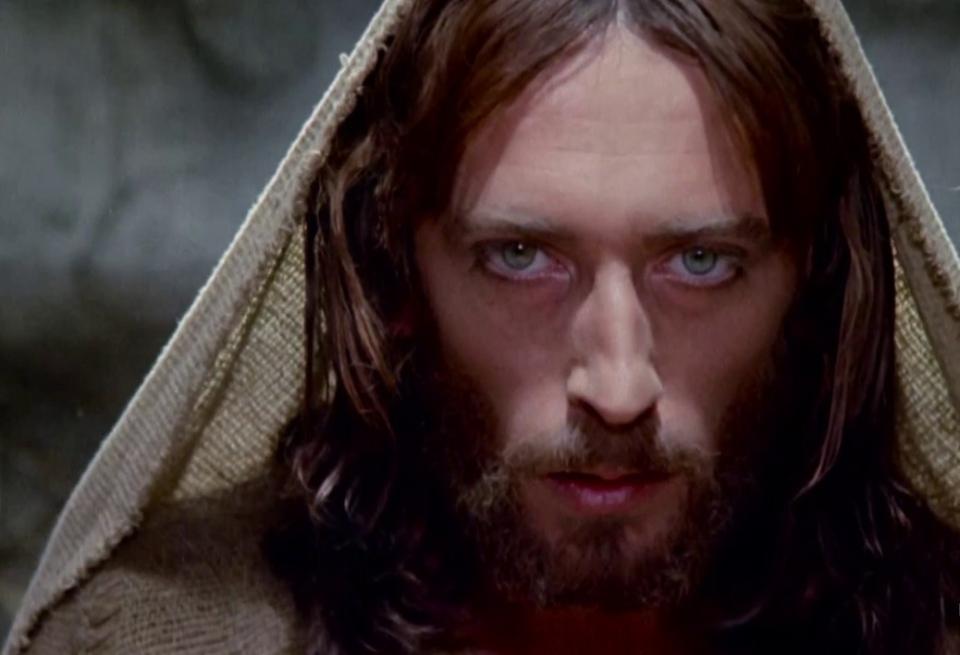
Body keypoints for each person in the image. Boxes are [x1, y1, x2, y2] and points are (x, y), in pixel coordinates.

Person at [6, 1, 960, 654]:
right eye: (521, 257)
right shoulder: (162, 637)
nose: (617, 388)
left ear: (814, 286)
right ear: (394, 269)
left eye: (701, 263)